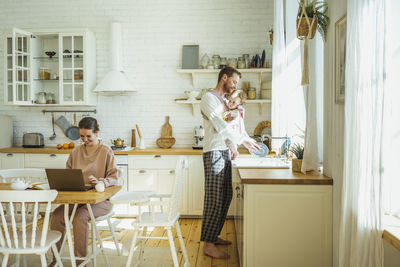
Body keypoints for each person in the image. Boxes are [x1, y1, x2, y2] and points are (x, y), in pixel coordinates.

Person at [200, 67, 260, 259]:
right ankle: (208, 244)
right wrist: (243, 141)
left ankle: (213, 235)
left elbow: (231, 128)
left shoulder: (225, 101)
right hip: (213, 153)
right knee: (214, 198)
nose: (235, 86)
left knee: (226, 196)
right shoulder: (209, 98)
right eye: (233, 82)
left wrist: (237, 144)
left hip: (224, 151)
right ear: (224, 78)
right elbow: (221, 125)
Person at [50, 117, 118, 266]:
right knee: (56, 215)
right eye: (82, 136)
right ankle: (55, 258)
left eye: (89, 136)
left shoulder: (106, 151)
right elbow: (68, 174)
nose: (85, 139)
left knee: (80, 217)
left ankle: (81, 262)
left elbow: (114, 177)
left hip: (100, 201)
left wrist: (101, 182)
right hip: (77, 199)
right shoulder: (76, 151)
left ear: (97, 133)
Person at [224, 90, 249, 160]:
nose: (230, 103)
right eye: (230, 101)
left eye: (234, 102)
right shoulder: (227, 109)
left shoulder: (238, 111)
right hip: (229, 133)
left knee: (230, 142)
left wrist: (231, 120)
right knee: (229, 143)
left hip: (234, 132)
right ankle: (234, 152)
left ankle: (235, 152)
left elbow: (236, 121)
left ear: (239, 103)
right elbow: (224, 118)